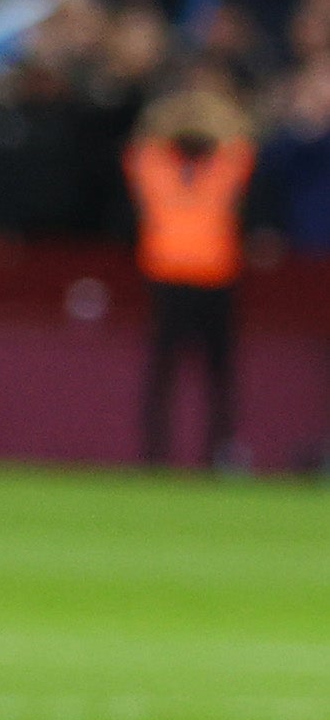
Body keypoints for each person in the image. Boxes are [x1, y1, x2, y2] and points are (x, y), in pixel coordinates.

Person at [127, 72, 254, 468]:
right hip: (167, 277)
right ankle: (154, 455)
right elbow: (147, 135)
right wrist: (183, 109)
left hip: (216, 277)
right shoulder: (154, 166)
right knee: (161, 370)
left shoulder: (224, 168)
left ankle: (219, 453)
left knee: (220, 373)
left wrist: (206, 108)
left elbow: (238, 136)